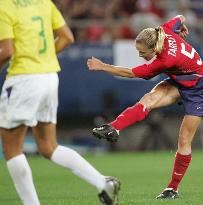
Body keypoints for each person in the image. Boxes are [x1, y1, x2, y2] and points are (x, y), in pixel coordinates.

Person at [0, 1, 120, 205]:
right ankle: (102, 182)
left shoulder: (6, 6)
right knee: (48, 146)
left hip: (23, 79)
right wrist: (43, 58)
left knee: (12, 148)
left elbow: (7, 51)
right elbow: (67, 37)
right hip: (48, 77)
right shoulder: (44, 2)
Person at [87, 15, 203, 199]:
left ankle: (172, 189)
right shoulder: (163, 30)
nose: (141, 56)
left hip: (200, 88)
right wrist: (183, 25)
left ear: (155, 48)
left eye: (143, 52)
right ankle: (113, 127)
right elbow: (180, 17)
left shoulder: (166, 60)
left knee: (184, 140)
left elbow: (131, 73)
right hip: (180, 80)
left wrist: (102, 66)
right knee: (148, 100)